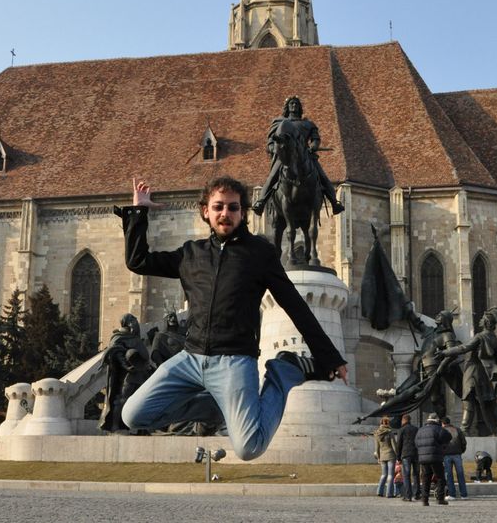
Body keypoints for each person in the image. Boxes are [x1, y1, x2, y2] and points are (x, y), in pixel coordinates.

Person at [117, 177, 348, 461]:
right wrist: (139, 213)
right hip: (190, 359)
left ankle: (284, 371)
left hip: (234, 361)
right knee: (134, 415)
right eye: (218, 207)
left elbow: (295, 305)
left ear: (243, 212)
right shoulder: (191, 254)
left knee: (249, 448)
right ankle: (216, 407)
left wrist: (330, 357)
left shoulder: (259, 254)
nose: (225, 213)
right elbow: (138, 262)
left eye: (233, 207)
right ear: (206, 211)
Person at [251, 96, 344, 216]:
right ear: (287, 107)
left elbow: (315, 139)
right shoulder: (279, 123)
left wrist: (314, 146)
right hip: (285, 157)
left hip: (305, 156)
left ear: (299, 107)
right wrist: (275, 149)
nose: (294, 105)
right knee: (272, 176)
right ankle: (261, 202)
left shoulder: (308, 124)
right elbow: (270, 142)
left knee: (323, 176)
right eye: (291, 103)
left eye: (296, 104)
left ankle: (334, 203)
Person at [442, 309, 497, 436]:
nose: (480, 320)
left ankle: (465, 429)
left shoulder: (480, 337)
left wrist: (446, 352)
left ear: (487, 322)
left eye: (483, 319)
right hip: (486, 373)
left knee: (469, 399)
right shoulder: (496, 340)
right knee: (491, 402)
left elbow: (463, 348)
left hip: (473, 371)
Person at [99, 313, 154, 433]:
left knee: (142, 401)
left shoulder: (135, 337)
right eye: (133, 319)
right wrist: (126, 365)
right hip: (130, 375)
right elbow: (116, 352)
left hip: (142, 373)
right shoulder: (120, 336)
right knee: (122, 399)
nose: (136, 322)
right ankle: (114, 426)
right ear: (128, 322)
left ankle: (141, 428)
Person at [414, 413, 450, 506]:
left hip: (423, 458)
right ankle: (440, 498)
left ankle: (425, 500)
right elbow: (448, 436)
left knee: (426, 479)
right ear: (436, 420)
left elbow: (416, 443)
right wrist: (442, 445)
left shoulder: (420, 430)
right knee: (440, 478)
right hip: (435, 457)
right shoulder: (438, 429)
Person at [441, 417, 469, 500]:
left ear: (443, 423)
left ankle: (452, 494)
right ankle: (464, 495)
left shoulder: (441, 430)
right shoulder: (457, 429)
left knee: (448, 475)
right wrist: (461, 451)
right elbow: (463, 442)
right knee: (460, 474)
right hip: (457, 454)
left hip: (446, 455)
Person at [395, 413, 420, 501]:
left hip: (406, 454)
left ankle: (408, 495)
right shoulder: (416, 429)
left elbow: (399, 444)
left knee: (406, 475)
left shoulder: (401, 430)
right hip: (416, 454)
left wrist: (398, 457)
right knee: (416, 474)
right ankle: (417, 494)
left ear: (403, 420)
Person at [373, 416, 397, 498]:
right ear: (388, 423)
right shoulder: (390, 432)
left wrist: (378, 457)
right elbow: (394, 446)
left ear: (381, 423)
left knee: (383, 474)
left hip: (382, 456)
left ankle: (379, 491)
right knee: (390, 475)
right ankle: (389, 493)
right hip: (390, 455)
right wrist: (398, 455)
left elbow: (377, 448)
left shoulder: (377, 433)